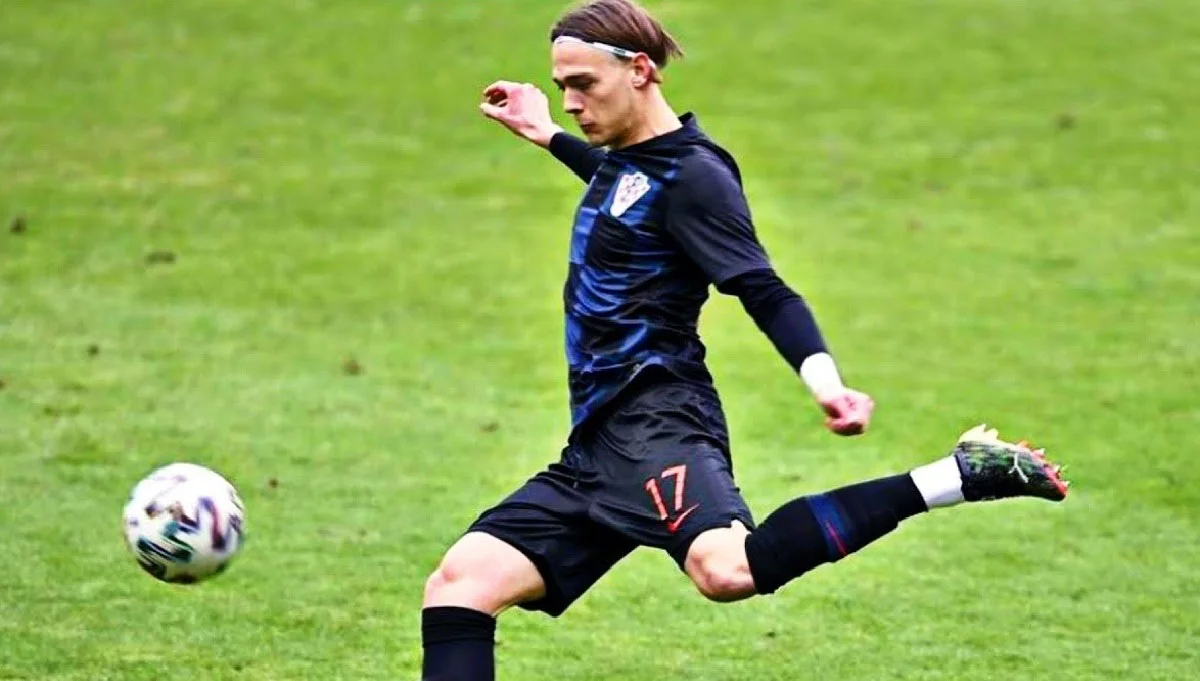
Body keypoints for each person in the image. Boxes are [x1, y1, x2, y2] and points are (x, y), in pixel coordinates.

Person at [420, 1, 1069, 679]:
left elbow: (763, 288)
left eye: (584, 85)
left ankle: (956, 475)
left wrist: (826, 383)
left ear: (639, 70)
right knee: (462, 583)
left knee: (726, 570)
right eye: (562, 88)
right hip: (598, 440)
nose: (573, 103)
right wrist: (547, 134)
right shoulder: (632, 163)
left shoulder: (694, 176)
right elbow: (627, 192)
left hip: (658, 418)